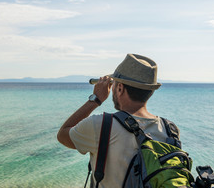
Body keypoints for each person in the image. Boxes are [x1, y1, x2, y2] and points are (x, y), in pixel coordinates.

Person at [57, 54, 175, 188]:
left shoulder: (101, 125)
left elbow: (63, 134)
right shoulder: (170, 130)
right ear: (151, 92)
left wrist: (96, 99)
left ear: (119, 88)